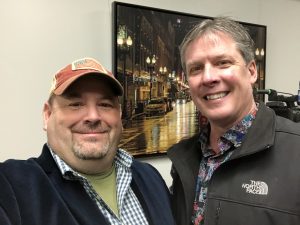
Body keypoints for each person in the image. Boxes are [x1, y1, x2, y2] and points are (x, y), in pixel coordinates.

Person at [0, 57, 175, 225]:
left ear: (120, 115)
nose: (93, 116)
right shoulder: (12, 186)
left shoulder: (150, 177)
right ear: (47, 115)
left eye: (105, 104)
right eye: (75, 104)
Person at [167, 17, 300, 225]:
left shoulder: (296, 151)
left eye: (223, 63)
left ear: (251, 71)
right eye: (196, 68)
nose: (208, 77)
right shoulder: (185, 159)